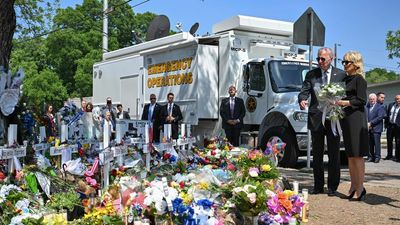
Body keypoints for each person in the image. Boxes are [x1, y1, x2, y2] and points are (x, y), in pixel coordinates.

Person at [298, 47, 346, 196]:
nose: (319, 61)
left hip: (333, 119)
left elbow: (345, 94)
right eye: (318, 58)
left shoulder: (341, 75)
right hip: (317, 118)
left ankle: (332, 186)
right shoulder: (311, 74)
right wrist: (302, 99)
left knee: (334, 154)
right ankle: (318, 185)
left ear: (331, 59)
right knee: (317, 154)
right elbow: (304, 90)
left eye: (322, 59)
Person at [336, 51, 369, 201]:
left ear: (355, 64)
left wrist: (346, 102)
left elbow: (362, 100)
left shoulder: (359, 80)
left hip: (356, 118)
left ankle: (360, 187)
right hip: (346, 118)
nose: (344, 65)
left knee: (357, 154)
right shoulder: (345, 79)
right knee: (350, 155)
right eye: (343, 62)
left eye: (346, 62)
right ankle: (353, 185)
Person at [365, 93, 385, 163]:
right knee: (370, 144)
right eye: (370, 99)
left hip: (376, 128)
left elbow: (380, 117)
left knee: (376, 144)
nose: (372, 100)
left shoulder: (380, 107)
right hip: (368, 128)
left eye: (373, 99)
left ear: (376, 99)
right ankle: (370, 156)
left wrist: (371, 123)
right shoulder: (366, 107)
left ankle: (377, 157)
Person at [386, 95, 400, 162]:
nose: (398, 100)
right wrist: (386, 124)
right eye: (397, 99)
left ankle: (397, 156)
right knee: (389, 141)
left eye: (399, 99)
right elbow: (387, 114)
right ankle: (389, 155)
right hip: (390, 126)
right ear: (395, 99)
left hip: (398, 127)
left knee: (397, 142)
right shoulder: (391, 105)